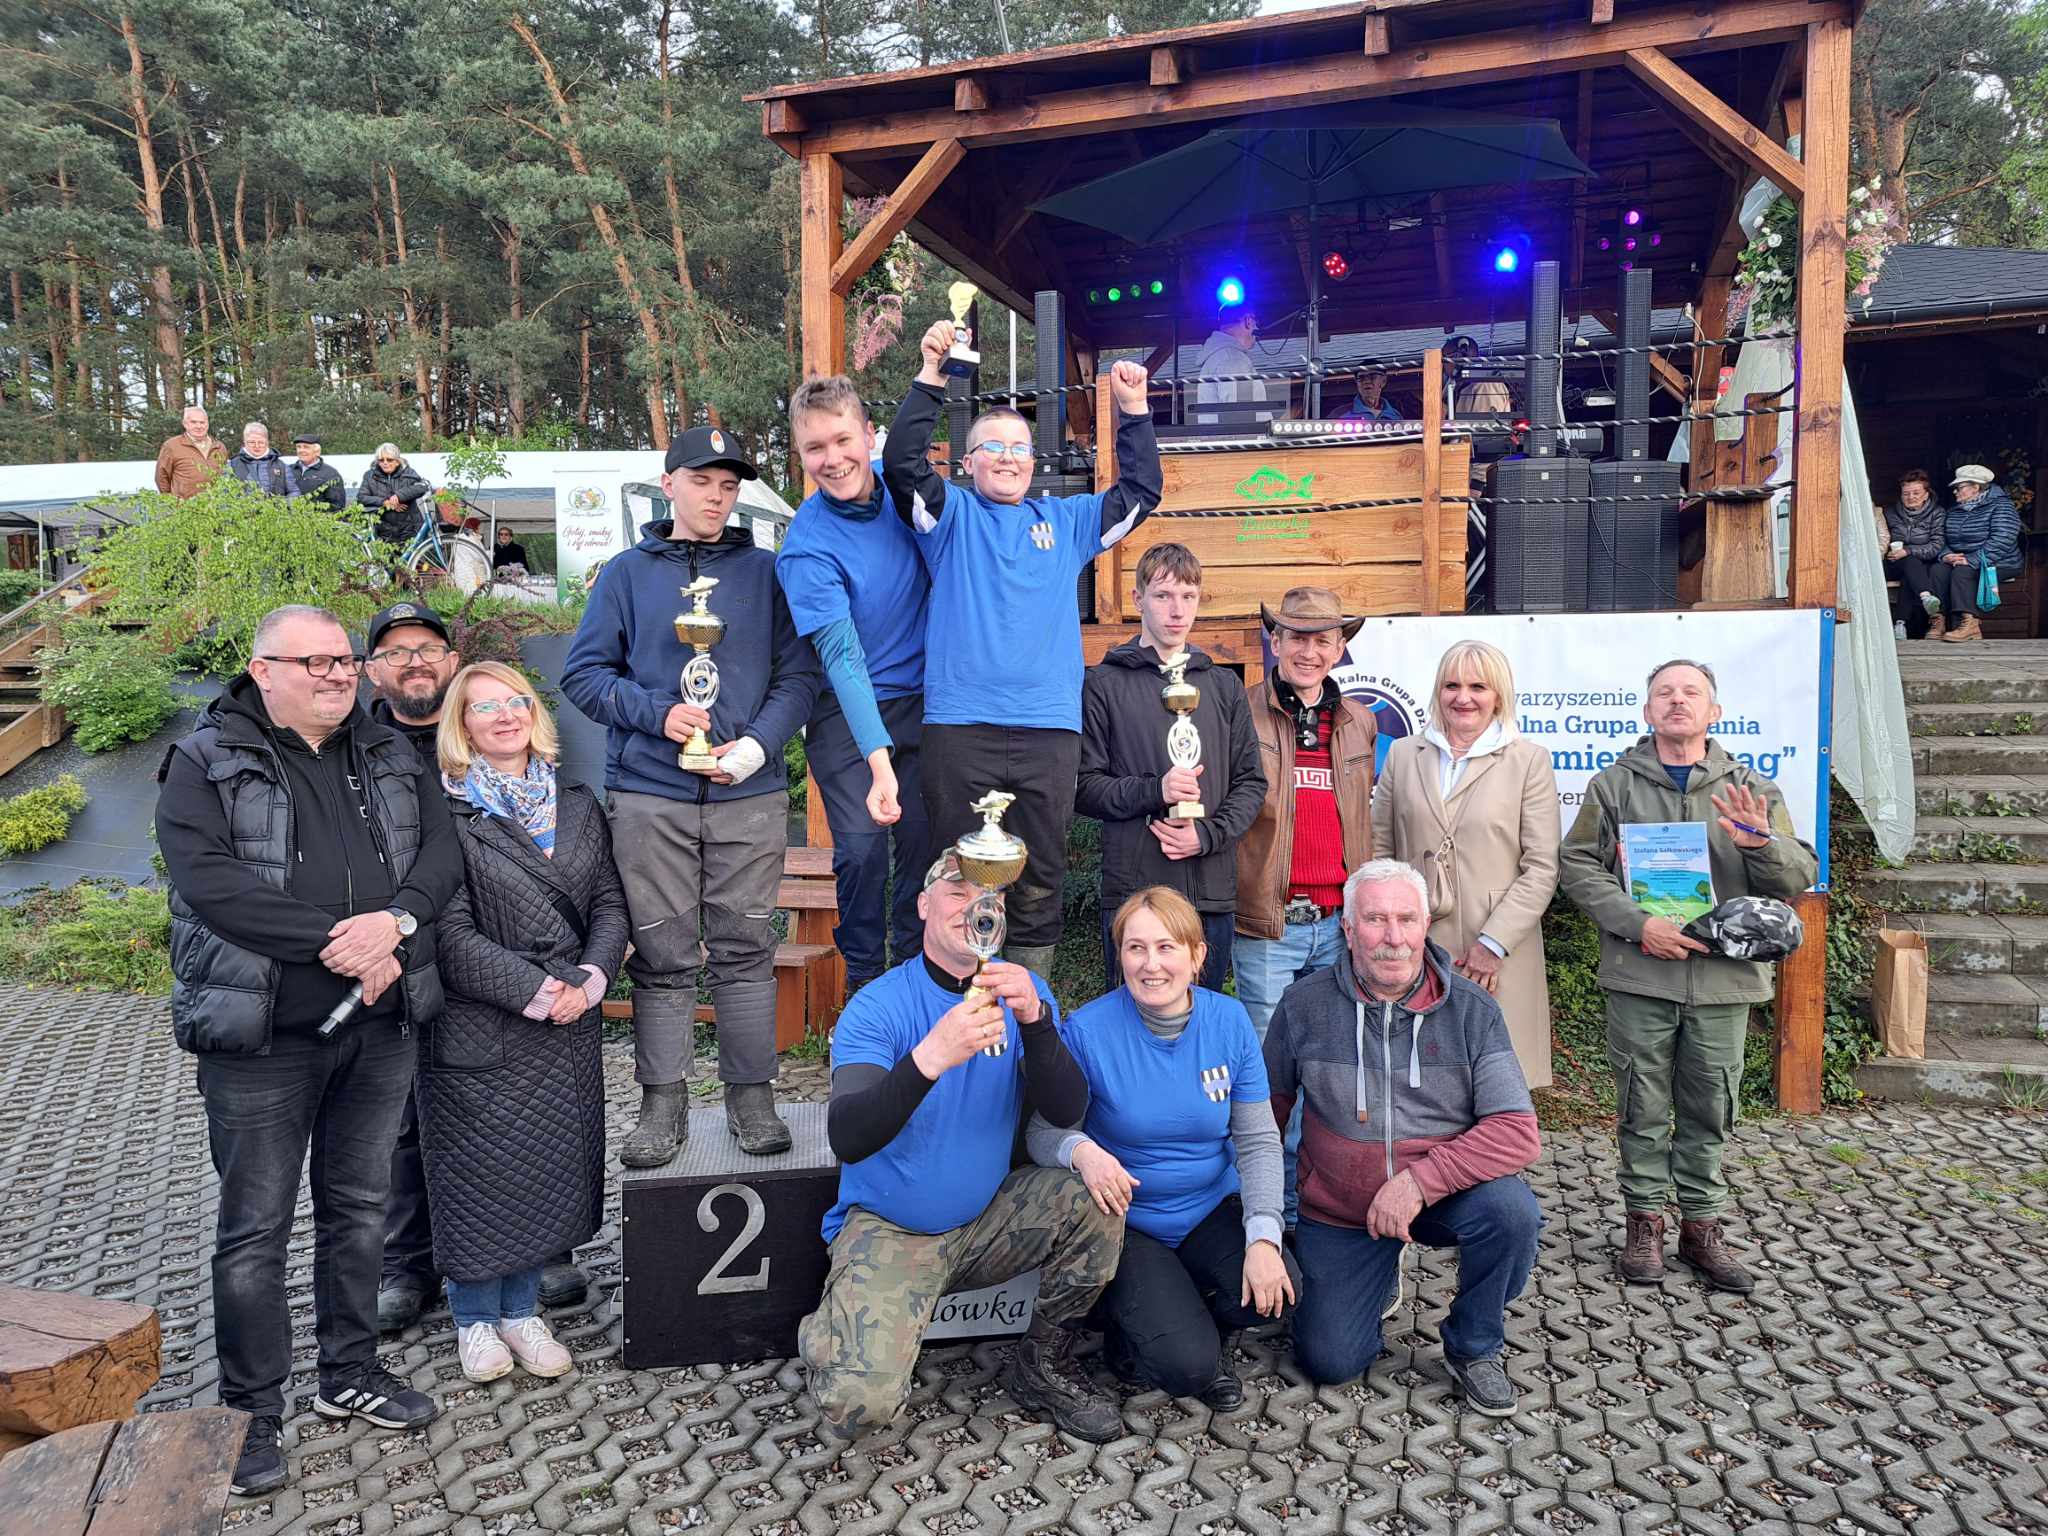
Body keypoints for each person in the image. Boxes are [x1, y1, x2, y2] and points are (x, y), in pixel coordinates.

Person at [154, 604, 463, 1497]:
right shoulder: (205, 759)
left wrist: (395, 925)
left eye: (342, 660)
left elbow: (439, 855)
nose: (335, 674)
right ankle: (250, 1413)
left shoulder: (390, 748)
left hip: (379, 1026)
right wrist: (345, 943)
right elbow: (209, 884)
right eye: (313, 662)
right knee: (254, 1231)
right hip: (262, 1037)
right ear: (262, 670)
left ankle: (350, 1371)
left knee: (359, 1209)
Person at [798, 851, 1124, 1444]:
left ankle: (1042, 1366)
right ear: (923, 905)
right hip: (893, 1229)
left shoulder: (1023, 991)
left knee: (1094, 1198)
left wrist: (1036, 1022)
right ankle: (831, 1332)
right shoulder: (879, 1005)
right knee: (858, 1410)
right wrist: (931, 1057)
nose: (977, 907)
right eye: (958, 892)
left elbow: (1066, 1110)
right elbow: (847, 1135)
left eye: (991, 898)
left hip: (986, 1219)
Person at [562, 425, 819, 1164]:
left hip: (748, 794)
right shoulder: (625, 574)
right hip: (650, 794)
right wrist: (657, 714)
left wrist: (757, 745)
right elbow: (584, 675)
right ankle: (661, 1105)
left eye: (728, 486)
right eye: (702, 481)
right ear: (669, 483)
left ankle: (752, 1097)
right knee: (661, 952)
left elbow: (800, 676)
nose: (715, 497)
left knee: (746, 948)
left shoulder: (768, 572)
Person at [882, 322, 1159, 979]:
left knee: (1039, 878)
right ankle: (955, 1008)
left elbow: (1139, 495)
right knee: (956, 874)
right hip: (960, 728)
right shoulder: (949, 517)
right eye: (993, 447)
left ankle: (1029, 1013)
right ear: (968, 461)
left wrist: (1134, 411)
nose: (1008, 458)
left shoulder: (1064, 521)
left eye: (1020, 448)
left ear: (1034, 462)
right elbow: (901, 465)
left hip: (1048, 731)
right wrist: (931, 374)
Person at [360, 605, 597, 1331]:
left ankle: (538, 1249)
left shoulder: (524, 769)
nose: (415, 662)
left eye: (428, 648)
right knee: (408, 1124)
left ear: (451, 662)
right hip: (398, 954)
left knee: (519, 1113)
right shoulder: (359, 745)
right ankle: (408, 1263)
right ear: (372, 669)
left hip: (489, 972)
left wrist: (571, 978)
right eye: (397, 651)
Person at [1559, 659, 1818, 1294]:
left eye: (1691, 692)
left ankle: (1701, 1226)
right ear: (1648, 711)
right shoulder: (1613, 786)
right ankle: (1644, 1222)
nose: (1677, 701)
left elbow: (1797, 876)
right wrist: (1636, 923)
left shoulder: (1751, 788)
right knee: (1640, 1104)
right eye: (1664, 693)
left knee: (1711, 1106)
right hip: (1641, 973)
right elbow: (1578, 866)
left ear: (1714, 711)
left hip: (1724, 979)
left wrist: (1761, 846)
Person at [1263, 859, 1541, 1414]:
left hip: (1443, 1197)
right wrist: (1258, 1222)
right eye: (1375, 920)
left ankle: (1474, 1344)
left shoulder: (1473, 1010)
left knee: (1513, 1212)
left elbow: (1516, 1131)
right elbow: (1264, 1114)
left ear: (1425, 926)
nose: (1393, 937)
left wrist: (1417, 1183)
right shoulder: (1303, 1005)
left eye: (1406, 920)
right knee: (1329, 1361)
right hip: (1340, 1209)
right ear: (1348, 928)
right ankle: (1375, 1271)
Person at [422, 663, 628, 1384]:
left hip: (566, 1023)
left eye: (516, 701)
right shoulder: (442, 812)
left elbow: (609, 903)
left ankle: (521, 1311)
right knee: (479, 1176)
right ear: (461, 725)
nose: (505, 715)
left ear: (535, 713)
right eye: (484, 707)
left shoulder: (576, 803)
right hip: (482, 1024)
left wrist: (592, 980)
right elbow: (447, 934)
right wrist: (541, 989)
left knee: (544, 1170)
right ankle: (474, 1320)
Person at [1026, 887, 1294, 1409]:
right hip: (1130, 1221)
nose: (1151, 964)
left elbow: (1259, 1139)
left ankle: (1193, 1319)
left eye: (1167, 947)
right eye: (1136, 948)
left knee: (1283, 1294)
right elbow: (1042, 1132)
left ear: (1197, 955)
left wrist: (1263, 1237)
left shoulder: (1230, 1021)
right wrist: (1083, 1152)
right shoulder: (1087, 1031)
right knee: (1185, 1366)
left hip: (1209, 1207)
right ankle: (1133, 1326)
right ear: (1119, 956)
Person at [777, 376, 932, 994]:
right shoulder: (805, 547)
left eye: (843, 439)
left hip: (923, 701)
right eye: (815, 448)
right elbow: (841, 658)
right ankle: (865, 989)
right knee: (864, 850)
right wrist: (879, 763)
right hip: (846, 711)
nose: (833, 458)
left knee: (923, 847)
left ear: (870, 436)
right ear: (800, 455)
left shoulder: (908, 492)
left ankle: (919, 982)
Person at [1234, 587, 1376, 1229]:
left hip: (1338, 928)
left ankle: (1311, 1207)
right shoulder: (1242, 712)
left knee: (1327, 1071)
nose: (1309, 651)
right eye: (1296, 637)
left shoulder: (1359, 722)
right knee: (1267, 1080)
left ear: (1340, 647)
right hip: (1270, 924)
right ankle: (1268, 1212)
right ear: (1275, 641)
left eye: (1322, 639)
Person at [1372, 640, 1560, 1088]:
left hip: (1498, 947)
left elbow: (1541, 866)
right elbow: (1380, 850)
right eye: (1452, 685)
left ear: (1499, 695)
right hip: (1416, 944)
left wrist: (1493, 944)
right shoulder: (1403, 754)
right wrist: (1389, 929)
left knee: (1497, 1080)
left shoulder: (1528, 761)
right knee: (1422, 1078)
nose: (1463, 697)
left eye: (1478, 687)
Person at [1077, 542, 1264, 991]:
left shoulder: (1223, 686)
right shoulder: (1102, 684)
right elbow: (1082, 786)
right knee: (1130, 1022)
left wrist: (1208, 834)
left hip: (1209, 893)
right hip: (1134, 895)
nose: (1177, 610)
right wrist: (1155, 791)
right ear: (1138, 599)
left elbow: (1251, 782)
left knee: (1202, 1020)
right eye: (1163, 596)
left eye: (1188, 596)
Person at [1931, 464, 2023, 644]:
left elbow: (2003, 539)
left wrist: (1972, 559)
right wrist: (1946, 555)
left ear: (1975, 487)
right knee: (1938, 570)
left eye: (1959, 487)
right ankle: (1939, 621)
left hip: (2002, 561)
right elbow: (1943, 538)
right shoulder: (1955, 510)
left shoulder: (2002, 506)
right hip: (1962, 559)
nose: (1955, 492)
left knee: (1963, 572)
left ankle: (1970, 624)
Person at [1881, 469, 1945, 641]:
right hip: (1893, 562)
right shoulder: (1890, 513)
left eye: (1916, 493)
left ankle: (1900, 624)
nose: (1911, 497)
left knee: (1910, 570)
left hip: (1922, 563)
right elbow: (1881, 537)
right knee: (1910, 565)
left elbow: (1936, 546)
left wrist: (1908, 551)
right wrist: (1887, 552)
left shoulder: (1937, 513)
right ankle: (1926, 596)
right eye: (1906, 493)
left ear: (1926, 494)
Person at [1193, 304, 1279, 426]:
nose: (1257, 326)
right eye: (1256, 321)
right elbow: (1241, 416)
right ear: (1248, 321)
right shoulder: (1233, 359)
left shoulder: (1218, 356)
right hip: (1246, 437)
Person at [358, 444, 435, 547]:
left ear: (397, 461)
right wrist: (385, 502)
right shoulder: (370, 476)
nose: (385, 463)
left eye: (389, 460)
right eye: (381, 460)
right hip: (383, 530)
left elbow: (422, 487)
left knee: (415, 556)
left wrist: (399, 496)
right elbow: (362, 497)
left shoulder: (408, 472)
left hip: (409, 528)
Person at [155, 404, 227, 498]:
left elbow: (225, 476)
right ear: (185, 424)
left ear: (208, 424)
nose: (198, 426)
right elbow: (161, 477)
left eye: (202, 422)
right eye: (193, 422)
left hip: (216, 505)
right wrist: (171, 501)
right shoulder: (172, 446)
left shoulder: (219, 447)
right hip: (185, 505)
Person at [285, 433, 349, 513]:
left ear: (317, 451)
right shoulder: (287, 470)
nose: (301, 450)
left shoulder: (330, 474)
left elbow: (337, 507)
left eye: (306, 447)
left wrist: (311, 510)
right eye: (299, 447)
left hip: (316, 519)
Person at [227, 420, 290, 496]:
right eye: (252, 442)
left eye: (261, 442)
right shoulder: (232, 465)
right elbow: (224, 493)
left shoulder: (281, 465)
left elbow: (293, 491)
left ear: (267, 442)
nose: (256, 446)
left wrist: (284, 503)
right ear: (244, 442)